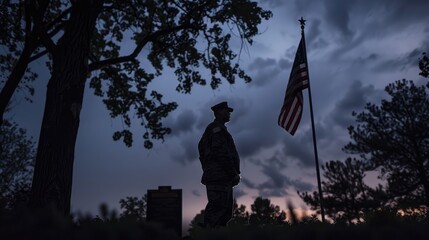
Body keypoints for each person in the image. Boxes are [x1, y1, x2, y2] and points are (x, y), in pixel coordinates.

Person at [198, 101, 241, 228]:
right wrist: (233, 173)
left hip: (221, 177)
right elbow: (221, 152)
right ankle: (209, 234)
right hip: (219, 178)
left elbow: (201, 149)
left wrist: (207, 168)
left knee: (224, 213)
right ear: (218, 112)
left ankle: (215, 234)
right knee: (218, 212)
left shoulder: (216, 129)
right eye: (226, 110)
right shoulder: (216, 129)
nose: (229, 113)